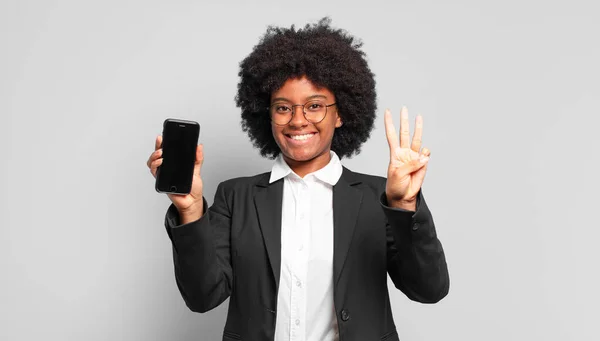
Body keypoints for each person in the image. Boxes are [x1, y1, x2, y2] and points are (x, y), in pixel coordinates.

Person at [146, 18, 449, 341]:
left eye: (315, 106)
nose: (298, 120)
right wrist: (191, 211)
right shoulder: (236, 196)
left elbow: (429, 289)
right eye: (283, 108)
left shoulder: (380, 198)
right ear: (268, 114)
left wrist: (403, 206)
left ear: (341, 112)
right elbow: (203, 297)